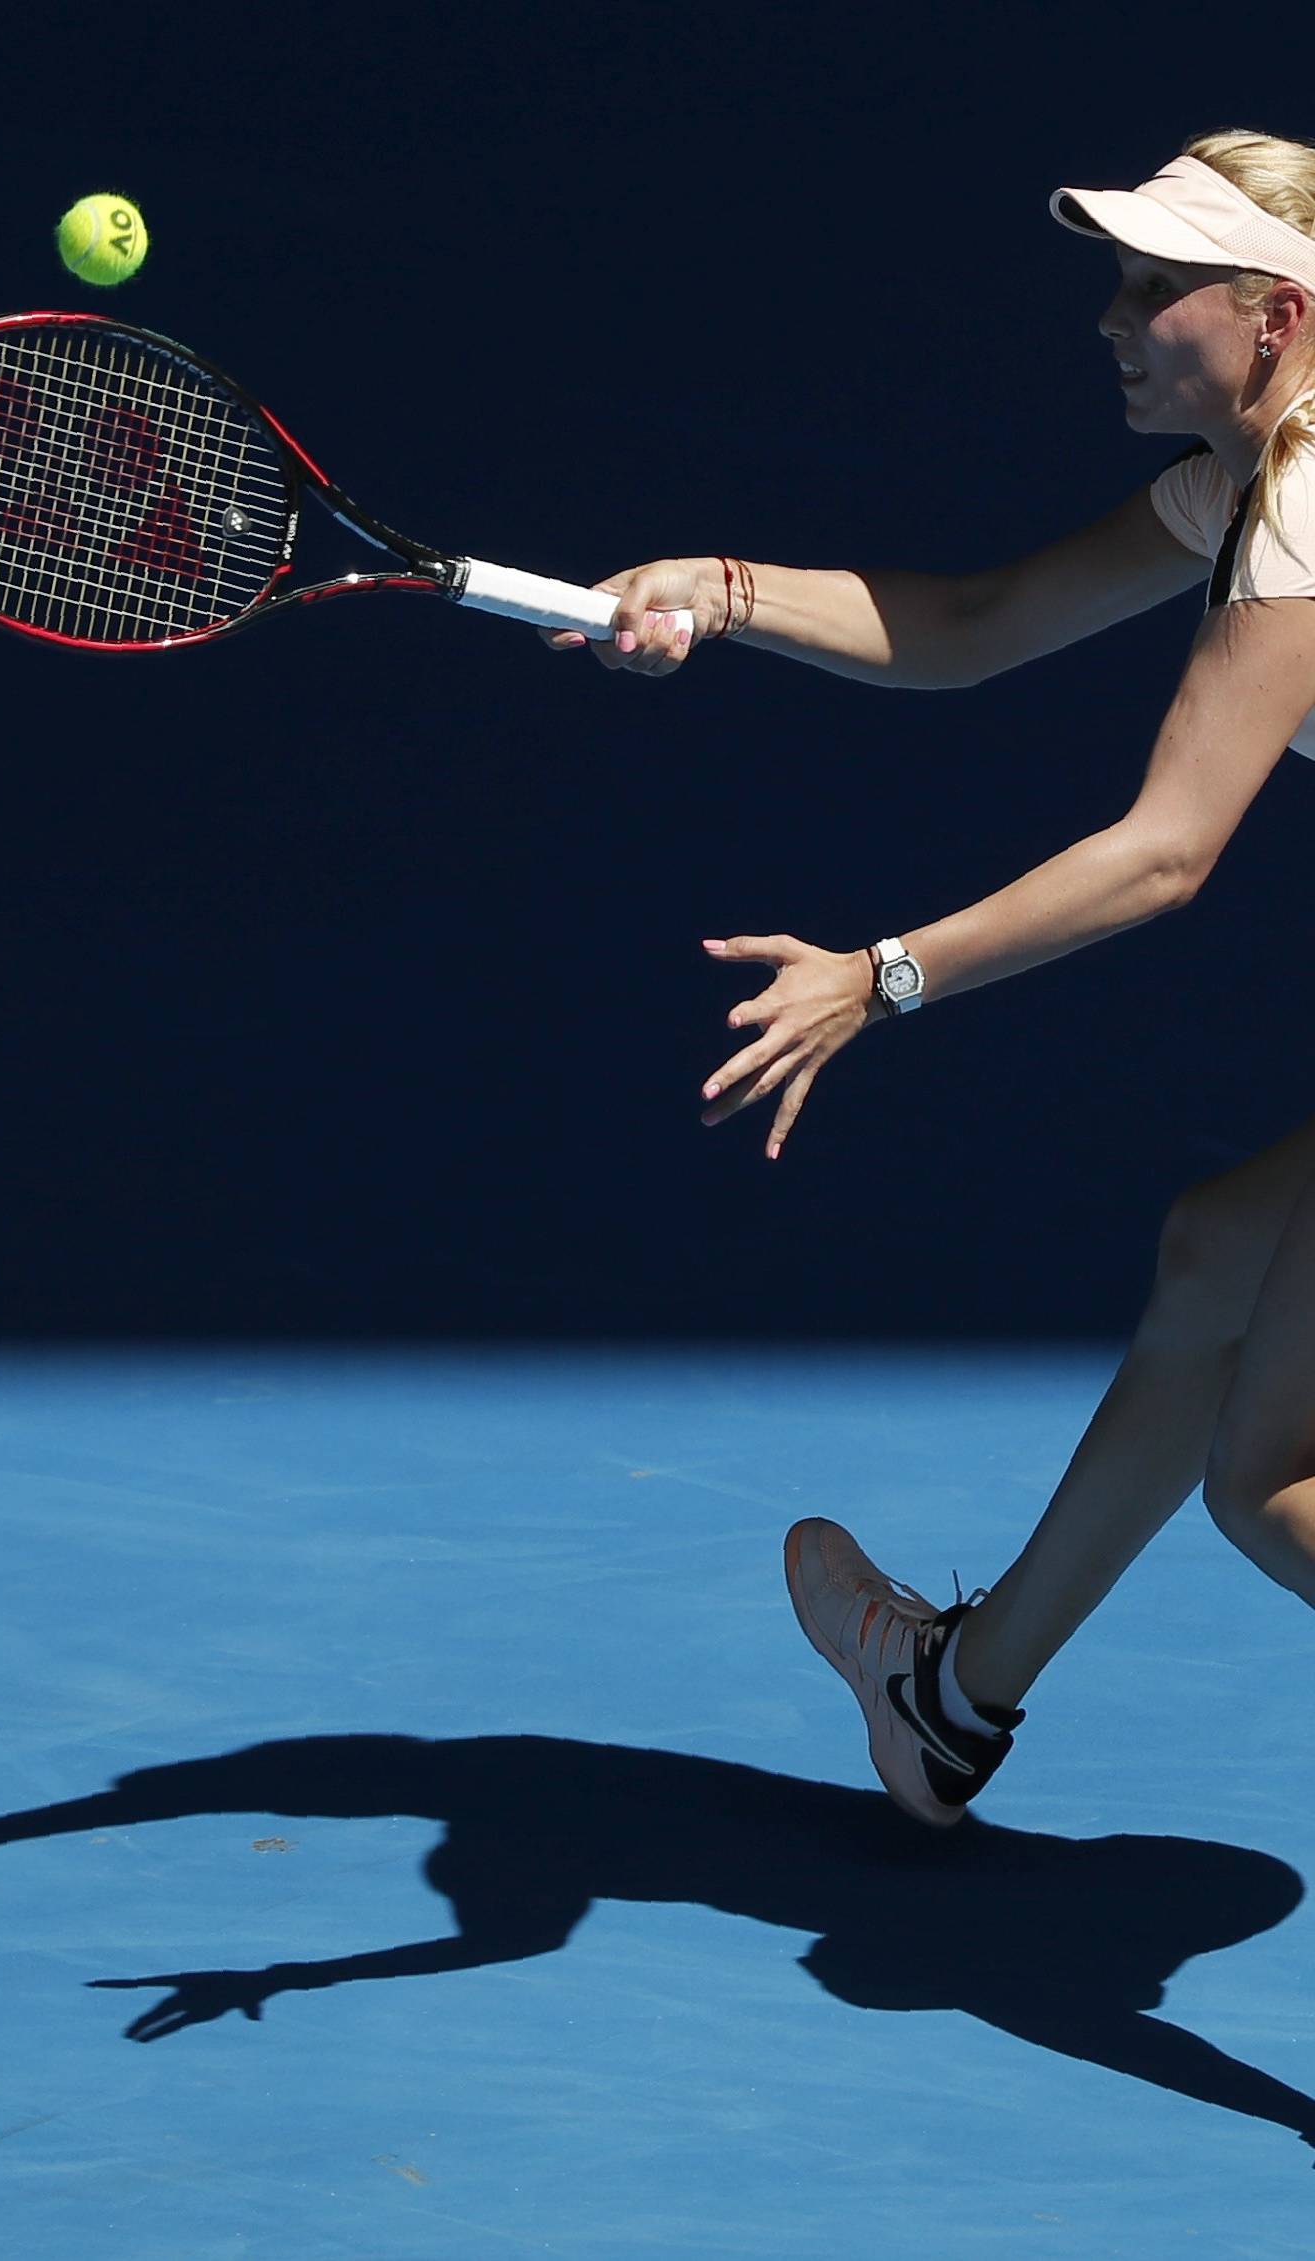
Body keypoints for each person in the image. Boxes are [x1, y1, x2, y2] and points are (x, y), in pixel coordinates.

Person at [544, 129, 1315, 1828]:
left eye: (1155, 286)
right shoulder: (1247, 482)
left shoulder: (1311, 498)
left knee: (1273, 1490)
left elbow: (1169, 847)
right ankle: (948, 1708)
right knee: (1219, 1256)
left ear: (1277, 315)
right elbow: (972, 622)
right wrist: (720, 588)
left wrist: (877, 979)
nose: (1114, 319)